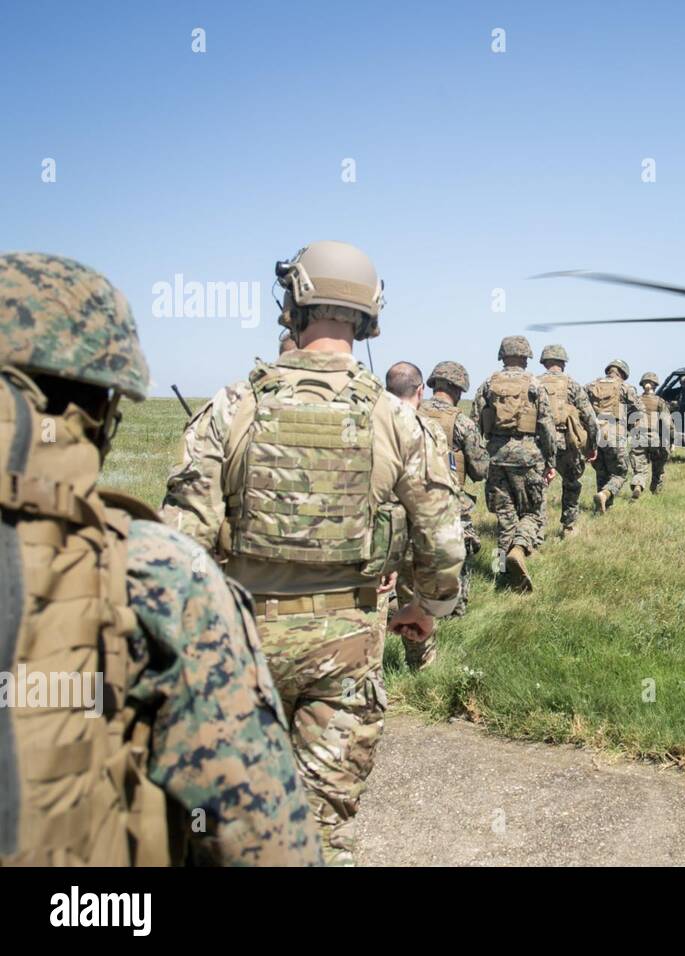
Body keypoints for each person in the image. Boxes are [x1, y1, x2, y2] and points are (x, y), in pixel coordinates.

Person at [0, 252, 321, 866]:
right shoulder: (151, 572)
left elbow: (194, 507)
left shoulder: (231, 408)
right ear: (101, 410)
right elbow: (266, 842)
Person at [161, 241, 464, 865]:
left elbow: (180, 547)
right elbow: (440, 537)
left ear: (293, 304)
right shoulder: (396, 419)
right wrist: (424, 608)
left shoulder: (230, 409)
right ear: (369, 314)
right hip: (346, 649)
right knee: (323, 832)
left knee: (221, 836)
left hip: (238, 647)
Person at [402, 361, 488, 656]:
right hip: (448, 501)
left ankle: (407, 603)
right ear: (457, 388)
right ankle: (454, 608)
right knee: (462, 548)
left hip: (407, 498)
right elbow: (479, 468)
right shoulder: (461, 422)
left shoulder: (408, 412)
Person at [471, 336, 557, 591]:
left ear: (502, 355)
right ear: (526, 356)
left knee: (505, 517)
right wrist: (550, 461)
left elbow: (474, 423)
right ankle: (519, 549)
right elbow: (546, 426)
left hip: (496, 458)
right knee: (532, 512)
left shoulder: (488, 383)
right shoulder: (534, 384)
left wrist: (479, 459)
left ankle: (499, 574)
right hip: (529, 458)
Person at [537, 344, 598, 538]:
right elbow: (590, 419)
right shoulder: (572, 384)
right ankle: (569, 527)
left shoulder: (534, 383)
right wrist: (592, 446)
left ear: (545, 362)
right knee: (571, 483)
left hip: (539, 442)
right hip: (567, 443)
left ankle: (536, 529)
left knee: (538, 486)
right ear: (563, 363)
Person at [585, 359, 644, 513]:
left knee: (601, 471)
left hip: (595, 436)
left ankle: (603, 508)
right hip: (615, 435)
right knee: (620, 473)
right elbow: (638, 410)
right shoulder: (625, 387)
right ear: (623, 374)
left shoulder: (591, 386)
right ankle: (605, 495)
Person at [632, 372, 675, 494]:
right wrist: (672, 441)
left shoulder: (636, 401)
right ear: (655, 385)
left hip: (639, 437)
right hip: (656, 438)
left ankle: (638, 485)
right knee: (658, 468)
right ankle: (656, 492)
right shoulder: (660, 402)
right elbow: (668, 424)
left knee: (639, 467)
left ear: (642, 385)